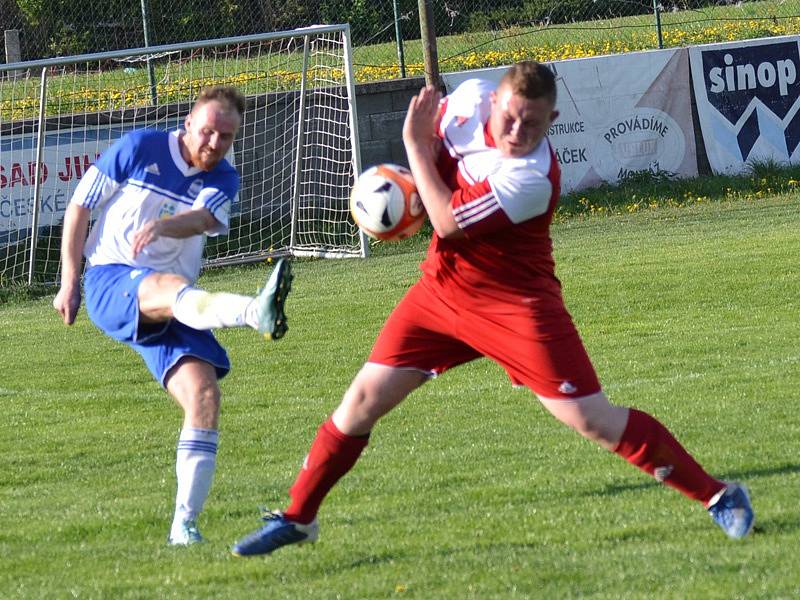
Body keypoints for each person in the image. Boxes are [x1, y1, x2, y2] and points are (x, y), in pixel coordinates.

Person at [231, 62, 754, 556]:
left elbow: (447, 221)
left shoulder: (531, 177)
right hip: (442, 292)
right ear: (493, 99)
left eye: (532, 122)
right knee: (362, 399)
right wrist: (405, 178)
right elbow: (437, 154)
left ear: (552, 120)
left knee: (592, 419)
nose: (516, 129)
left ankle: (718, 495)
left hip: (518, 306)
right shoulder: (469, 101)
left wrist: (412, 148)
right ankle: (298, 517)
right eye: (509, 115)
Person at [53, 85, 294, 546]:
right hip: (112, 279)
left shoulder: (223, 177)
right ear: (188, 123)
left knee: (203, 396)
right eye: (208, 132)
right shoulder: (138, 147)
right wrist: (69, 280)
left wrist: (165, 225)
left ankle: (184, 526)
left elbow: (203, 220)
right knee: (168, 286)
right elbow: (80, 206)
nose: (214, 143)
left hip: (176, 303)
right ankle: (252, 311)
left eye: (226, 136)